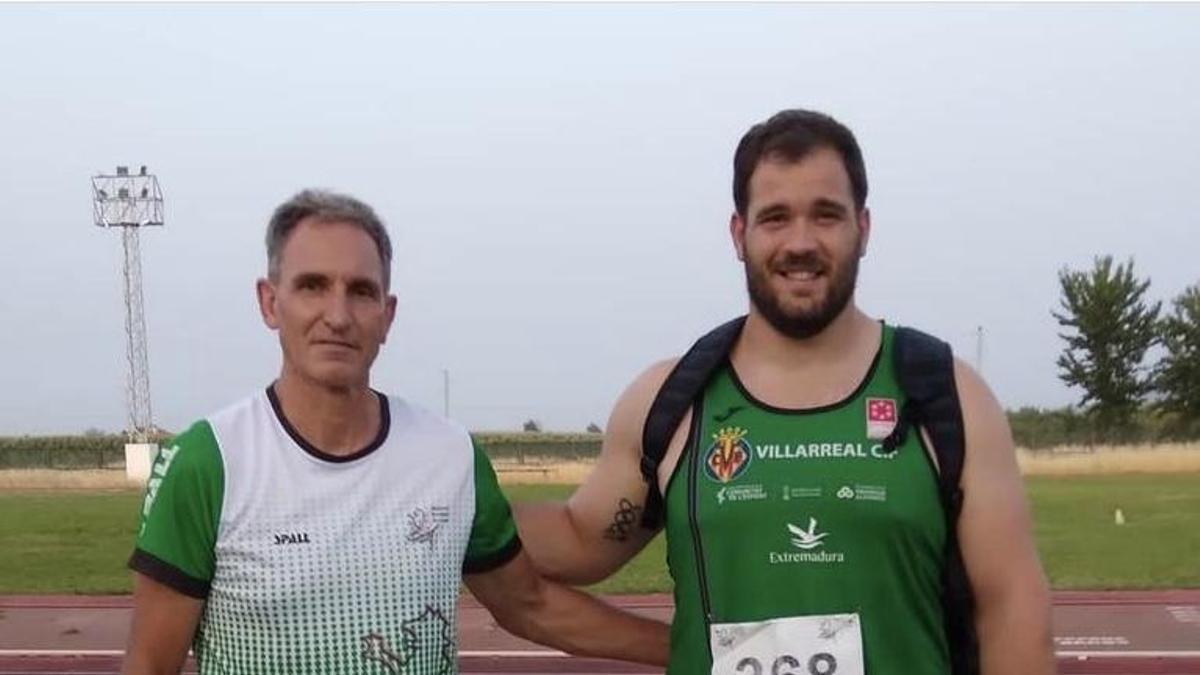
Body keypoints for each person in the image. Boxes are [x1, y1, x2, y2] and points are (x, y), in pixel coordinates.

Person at [514, 110, 1056, 674]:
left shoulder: (949, 395)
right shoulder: (671, 402)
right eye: (775, 218)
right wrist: (455, 498)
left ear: (863, 229)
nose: (801, 242)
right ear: (738, 234)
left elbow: (1013, 608)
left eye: (826, 216)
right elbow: (578, 541)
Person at [121, 189, 668, 674]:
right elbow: (150, 662)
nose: (337, 315)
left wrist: (690, 653)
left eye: (360, 291)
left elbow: (529, 605)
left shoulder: (449, 457)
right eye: (312, 286)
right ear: (270, 302)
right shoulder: (207, 461)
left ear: (387, 312)